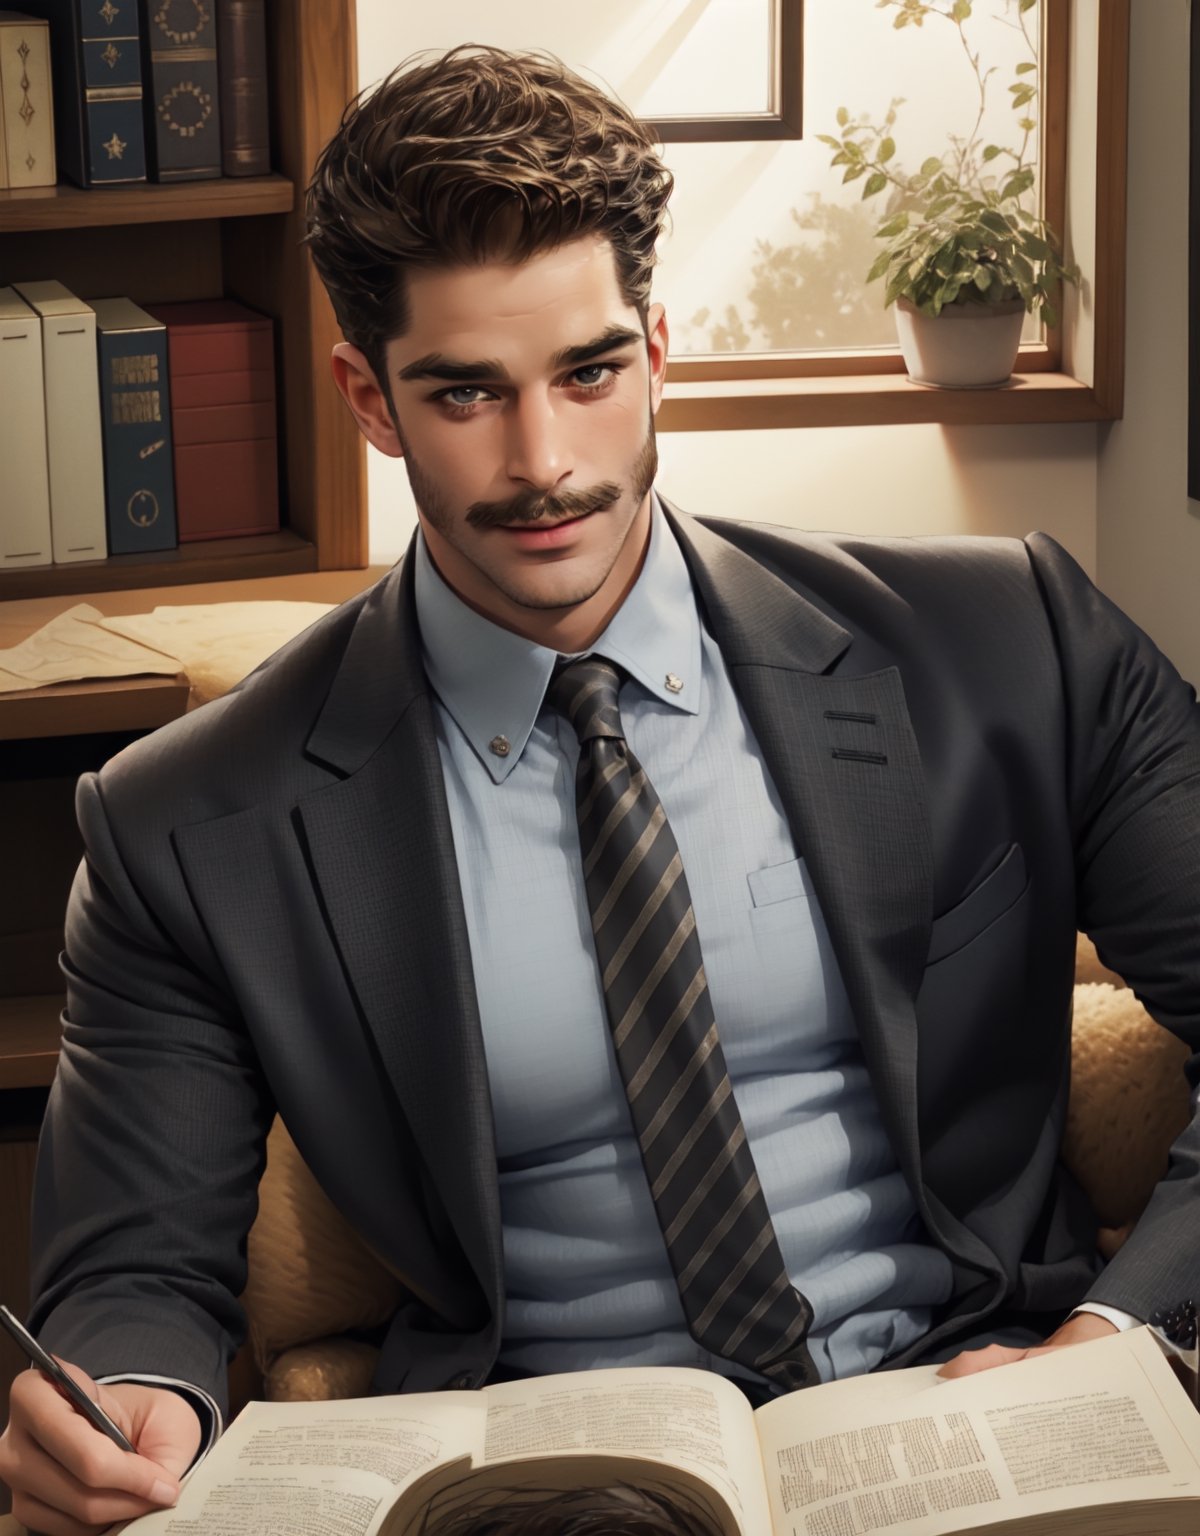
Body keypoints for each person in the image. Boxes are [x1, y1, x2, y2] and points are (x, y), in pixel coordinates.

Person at [2, 41, 1198, 1536]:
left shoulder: (1010, 642)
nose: (545, 462)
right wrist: (131, 1404)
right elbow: (135, 1275)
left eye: (589, 372)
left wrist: (1115, 1339)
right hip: (545, 1485)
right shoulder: (180, 826)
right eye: (464, 394)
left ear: (661, 346)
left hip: (989, 1420)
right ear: (367, 398)